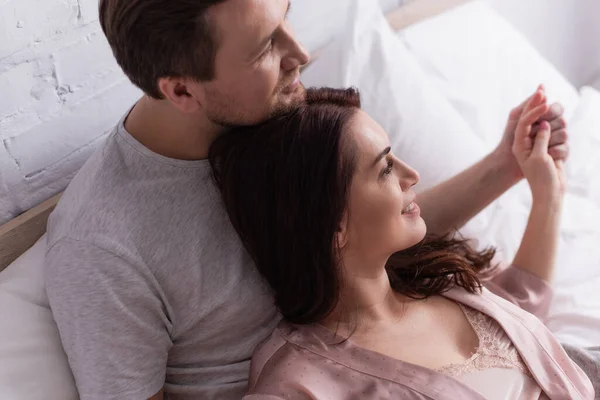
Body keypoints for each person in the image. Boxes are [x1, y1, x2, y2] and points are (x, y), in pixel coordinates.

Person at [43, 0, 568, 399]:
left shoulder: (264, 109)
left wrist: (506, 166)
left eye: (286, 16)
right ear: (182, 92)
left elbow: (368, 225)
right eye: (265, 47)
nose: (301, 54)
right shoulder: (103, 248)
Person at [209, 86, 594, 399]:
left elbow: (525, 299)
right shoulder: (303, 381)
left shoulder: (435, 277)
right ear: (331, 221)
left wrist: (548, 193)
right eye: (386, 168)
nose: (412, 175)